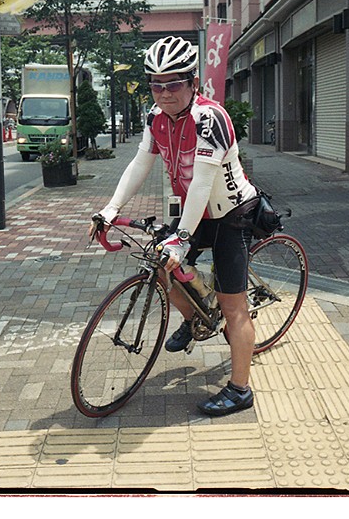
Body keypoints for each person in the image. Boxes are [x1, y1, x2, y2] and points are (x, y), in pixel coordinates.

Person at [93, 35, 260, 416]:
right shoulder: (155, 117)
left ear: (193, 83)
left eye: (173, 84)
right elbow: (140, 163)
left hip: (231, 214)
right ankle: (193, 318)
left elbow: (201, 182)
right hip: (195, 212)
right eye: (156, 84)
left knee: (233, 307)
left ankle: (240, 390)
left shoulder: (210, 119)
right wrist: (111, 208)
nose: (164, 93)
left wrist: (181, 239)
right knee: (161, 265)